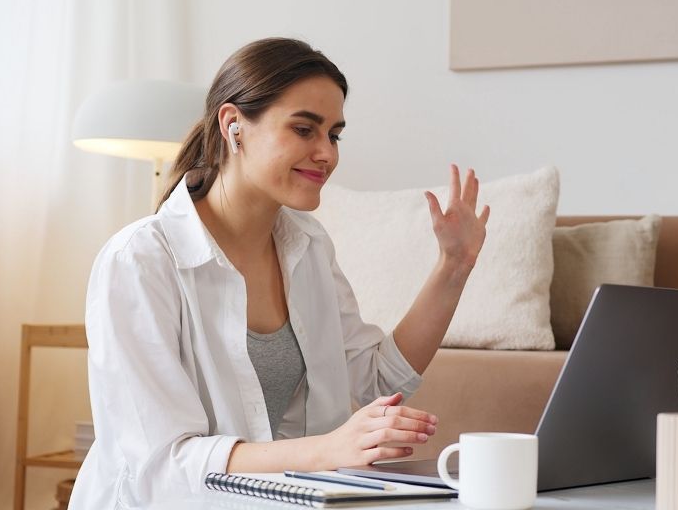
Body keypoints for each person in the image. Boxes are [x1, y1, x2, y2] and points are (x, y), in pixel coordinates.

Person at [68, 38, 490, 508]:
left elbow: (376, 380)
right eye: (304, 129)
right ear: (233, 125)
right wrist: (328, 450)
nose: (326, 153)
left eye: (334, 135)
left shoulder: (309, 246)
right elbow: (164, 464)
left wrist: (454, 266)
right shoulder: (139, 261)